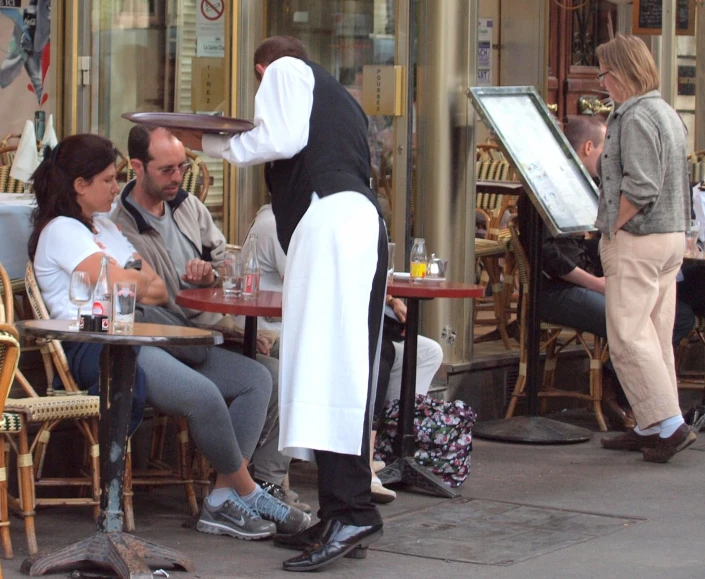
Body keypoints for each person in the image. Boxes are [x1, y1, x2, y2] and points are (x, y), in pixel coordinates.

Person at [172, 35, 387, 571]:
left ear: (262, 68)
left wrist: (205, 141)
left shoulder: (288, 71)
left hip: (333, 222)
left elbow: (281, 137)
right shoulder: (336, 97)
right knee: (332, 370)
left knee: (330, 370)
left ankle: (353, 510)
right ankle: (343, 508)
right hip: (347, 221)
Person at [28, 133, 309, 542]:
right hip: (100, 344)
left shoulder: (103, 227)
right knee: (203, 396)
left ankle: (223, 498)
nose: (114, 187)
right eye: (107, 180)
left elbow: (156, 287)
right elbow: (123, 283)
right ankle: (249, 492)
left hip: (144, 329)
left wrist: (129, 280)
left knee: (257, 379)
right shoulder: (62, 231)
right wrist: (129, 279)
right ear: (79, 185)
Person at [111, 124, 309, 514]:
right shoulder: (121, 225)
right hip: (169, 334)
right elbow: (152, 297)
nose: (177, 178)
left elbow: (225, 264)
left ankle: (243, 486)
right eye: (167, 169)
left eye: (182, 167)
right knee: (262, 376)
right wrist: (204, 301)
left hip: (212, 328)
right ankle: (243, 489)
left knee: (291, 369)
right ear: (137, 166)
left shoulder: (188, 206)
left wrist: (213, 277)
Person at [235, 202, 444, 503]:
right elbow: (312, 280)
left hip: (307, 325)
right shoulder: (279, 224)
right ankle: (346, 457)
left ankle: (378, 448)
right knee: (363, 357)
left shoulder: (306, 221)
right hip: (275, 330)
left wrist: (387, 298)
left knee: (425, 353)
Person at [595, 34, 696, 462]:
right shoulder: (667, 112)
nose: (603, 84)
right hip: (670, 237)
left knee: (629, 337)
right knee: (654, 335)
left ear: (619, 75)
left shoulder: (634, 117)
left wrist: (609, 227)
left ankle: (669, 426)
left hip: (639, 238)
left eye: (604, 74)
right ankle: (651, 423)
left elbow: (642, 185)